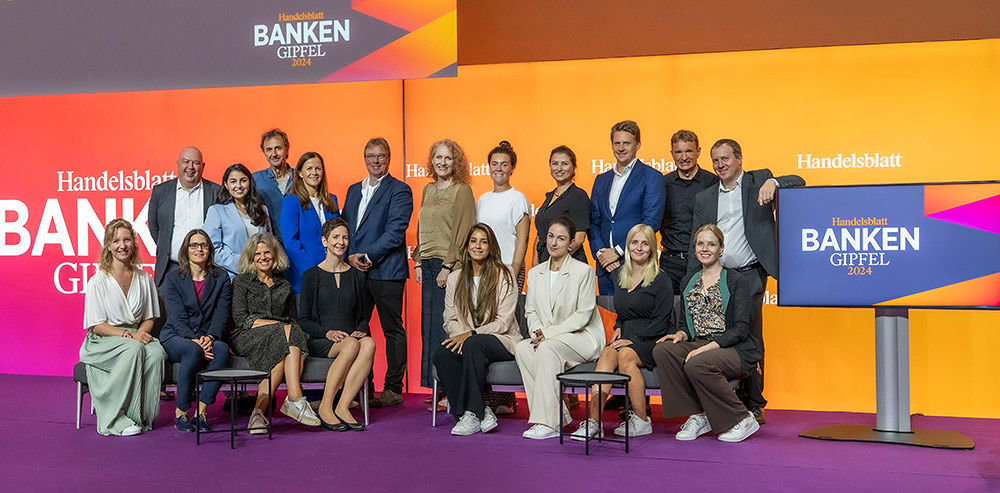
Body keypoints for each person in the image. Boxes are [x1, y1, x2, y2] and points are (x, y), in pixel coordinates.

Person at [687, 138, 805, 425]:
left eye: (725, 158)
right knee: (718, 335)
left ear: (739, 159)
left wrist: (774, 183)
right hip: (716, 276)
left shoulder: (759, 180)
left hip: (749, 273)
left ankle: (754, 403)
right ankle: (723, 400)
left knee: (749, 335)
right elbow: (696, 239)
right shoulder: (705, 197)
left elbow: (799, 181)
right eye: (716, 160)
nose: (720, 165)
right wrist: (689, 280)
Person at [656, 224, 762, 442]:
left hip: (733, 348)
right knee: (663, 351)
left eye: (711, 244)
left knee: (697, 363)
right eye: (700, 244)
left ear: (721, 248)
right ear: (694, 248)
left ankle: (742, 418)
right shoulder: (688, 281)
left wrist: (708, 348)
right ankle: (699, 415)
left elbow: (741, 328)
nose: (705, 249)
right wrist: (681, 335)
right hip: (700, 343)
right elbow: (686, 325)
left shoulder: (735, 280)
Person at [571, 224, 672, 440]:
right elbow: (624, 311)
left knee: (626, 355)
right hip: (627, 336)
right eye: (634, 242)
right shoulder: (619, 276)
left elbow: (662, 321)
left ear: (652, 248)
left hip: (652, 338)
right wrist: (618, 326)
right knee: (608, 352)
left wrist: (632, 340)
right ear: (627, 246)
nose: (639, 248)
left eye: (644, 243)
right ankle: (594, 422)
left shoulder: (661, 279)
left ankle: (642, 420)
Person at [515, 217, 605, 440]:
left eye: (561, 238)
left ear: (572, 243)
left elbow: (582, 315)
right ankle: (558, 414)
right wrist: (538, 333)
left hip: (582, 337)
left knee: (546, 348)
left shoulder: (583, 271)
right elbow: (530, 311)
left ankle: (549, 423)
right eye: (551, 236)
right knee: (523, 348)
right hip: (549, 339)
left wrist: (548, 335)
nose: (554, 243)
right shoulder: (535, 273)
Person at [341, 137, 413, 408]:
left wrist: (368, 257)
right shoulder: (353, 190)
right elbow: (346, 228)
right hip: (355, 271)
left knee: (392, 329)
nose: (375, 160)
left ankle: (393, 389)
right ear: (364, 159)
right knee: (358, 329)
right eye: (371, 156)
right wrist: (349, 256)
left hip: (387, 271)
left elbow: (395, 231)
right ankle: (364, 388)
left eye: (380, 155)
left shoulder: (400, 190)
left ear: (389, 158)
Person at [79, 218, 166, 436]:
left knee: (156, 352)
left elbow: (149, 318)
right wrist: (129, 336)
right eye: (116, 241)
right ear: (108, 245)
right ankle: (115, 418)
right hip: (104, 339)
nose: (122, 245)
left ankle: (141, 417)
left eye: (127, 240)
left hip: (136, 334)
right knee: (133, 349)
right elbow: (97, 325)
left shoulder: (144, 278)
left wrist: (140, 334)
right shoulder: (98, 281)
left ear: (134, 243)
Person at [433, 224, 521, 436]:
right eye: (473, 241)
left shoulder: (505, 275)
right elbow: (450, 318)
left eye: (484, 241)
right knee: (442, 353)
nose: (478, 246)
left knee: (474, 343)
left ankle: (473, 411)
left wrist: (471, 335)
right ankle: (475, 413)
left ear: (491, 247)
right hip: (468, 340)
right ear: (467, 246)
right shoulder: (455, 278)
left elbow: (504, 321)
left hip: (500, 339)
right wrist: (461, 336)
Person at [231, 233, 320, 433]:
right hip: (247, 336)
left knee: (283, 347)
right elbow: (242, 320)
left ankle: (257, 415)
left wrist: (281, 330)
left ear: (274, 255)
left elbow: (293, 319)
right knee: (285, 333)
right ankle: (295, 398)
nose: (263, 257)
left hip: (280, 337)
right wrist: (277, 326)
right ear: (251, 258)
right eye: (257, 254)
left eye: (267, 252)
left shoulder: (284, 285)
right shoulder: (242, 282)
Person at [299, 218, 376, 431]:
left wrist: (360, 330)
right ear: (325, 241)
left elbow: (363, 315)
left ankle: (342, 407)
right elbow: (303, 320)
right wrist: (328, 332)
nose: (341, 242)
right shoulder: (311, 276)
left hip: (350, 338)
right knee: (351, 345)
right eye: (335, 237)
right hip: (322, 340)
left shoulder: (357, 276)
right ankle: (326, 407)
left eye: (345, 238)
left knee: (369, 343)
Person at [413, 139, 476, 396]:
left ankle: (450, 389)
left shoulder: (462, 190)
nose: (442, 162)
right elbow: (422, 228)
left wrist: (448, 266)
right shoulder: (428, 189)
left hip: (448, 266)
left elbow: (464, 230)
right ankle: (435, 387)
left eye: (448, 158)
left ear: (456, 162)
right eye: (438, 157)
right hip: (427, 264)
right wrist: (418, 261)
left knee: (446, 326)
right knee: (429, 328)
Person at [160, 229, 232, 433]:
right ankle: (181, 412)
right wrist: (197, 342)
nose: (199, 249)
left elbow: (221, 314)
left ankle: (201, 412)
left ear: (210, 250)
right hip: (176, 335)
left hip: (207, 335)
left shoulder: (222, 277)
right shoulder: (173, 278)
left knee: (222, 349)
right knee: (192, 350)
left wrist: (210, 337)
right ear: (186, 249)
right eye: (194, 245)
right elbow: (177, 317)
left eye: (204, 245)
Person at [590, 120, 665, 294]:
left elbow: (650, 222)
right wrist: (602, 254)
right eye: (617, 143)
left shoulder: (651, 177)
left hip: (636, 264)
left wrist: (617, 251)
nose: (621, 148)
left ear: (637, 145)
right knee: (607, 312)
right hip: (605, 267)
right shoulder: (601, 180)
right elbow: (594, 221)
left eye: (626, 143)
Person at [149, 146, 221, 286]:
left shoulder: (216, 192)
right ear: (178, 164)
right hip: (170, 268)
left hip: (206, 270)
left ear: (203, 166)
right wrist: (167, 247)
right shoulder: (161, 191)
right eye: (186, 162)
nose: (190, 167)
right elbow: (154, 226)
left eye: (196, 163)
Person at [659, 130, 719, 294]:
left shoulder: (713, 182)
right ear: (672, 153)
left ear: (698, 152)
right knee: (670, 309)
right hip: (669, 263)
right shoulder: (662, 183)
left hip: (704, 262)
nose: (683, 157)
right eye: (678, 152)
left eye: (689, 151)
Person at [281, 151, 340, 293]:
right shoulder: (291, 202)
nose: (314, 173)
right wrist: (314, 271)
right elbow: (291, 243)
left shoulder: (332, 200)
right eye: (309, 169)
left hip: (334, 274)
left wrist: (337, 266)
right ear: (300, 173)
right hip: (306, 277)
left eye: (318, 168)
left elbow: (340, 237)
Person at [476, 141, 530, 289]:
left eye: (504, 165)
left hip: (508, 268)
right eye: (494, 164)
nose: (498, 169)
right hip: (484, 269)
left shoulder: (518, 199)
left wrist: (512, 273)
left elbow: (523, 240)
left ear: (512, 168)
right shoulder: (482, 200)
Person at [203, 163, 271, 278]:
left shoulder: (262, 210)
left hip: (262, 275)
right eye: (233, 181)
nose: (238, 186)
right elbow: (213, 249)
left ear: (250, 182)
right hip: (233, 277)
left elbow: (270, 243)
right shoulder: (216, 211)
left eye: (243, 180)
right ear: (226, 185)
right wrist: (245, 264)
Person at [533, 145, 590, 267]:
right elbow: (540, 234)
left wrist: (556, 263)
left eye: (564, 164)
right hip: (545, 263)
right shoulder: (549, 197)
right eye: (555, 164)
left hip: (568, 265)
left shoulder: (578, 195)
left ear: (573, 167)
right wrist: (536, 264)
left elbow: (579, 238)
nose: (559, 168)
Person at [253, 128, 294, 239]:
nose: (274, 154)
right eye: (269, 150)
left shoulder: (301, 178)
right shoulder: (255, 180)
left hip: (299, 243)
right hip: (270, 244)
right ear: (264, 153)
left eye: (278, 148)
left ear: (287, 149)